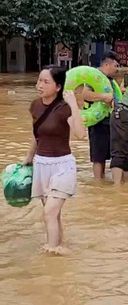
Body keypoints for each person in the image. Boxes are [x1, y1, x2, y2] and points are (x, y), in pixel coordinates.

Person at [22, 66, 86, 253]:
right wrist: (28, 157)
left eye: (46, 82)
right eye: (39, 81)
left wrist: (74, 104)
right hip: (42, 164)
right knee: (53, 214)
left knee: (49, 211)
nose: (40, 85)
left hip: (62, 166)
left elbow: (81, 134)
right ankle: (59, 246)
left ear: (58, 86)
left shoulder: (64, 108)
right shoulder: (35, 105)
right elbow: (37, 135)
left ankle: (52, 250)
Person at [81, 51, 121, 180]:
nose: (117, 69)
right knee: (98, 156)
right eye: (115, 66)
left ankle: (102, 183)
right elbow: (85, 94)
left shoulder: (110, 80)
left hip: (110, 121)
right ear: (106, 64)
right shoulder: (94, 78)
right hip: (98, 121)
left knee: (109, 153)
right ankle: (98, 182)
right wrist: (104, 97)